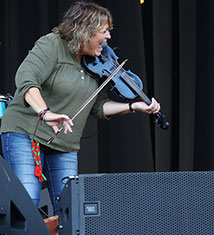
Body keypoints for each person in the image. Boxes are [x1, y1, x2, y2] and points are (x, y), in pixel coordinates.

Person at [0, 2, 160, 215]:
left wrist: (134, 106)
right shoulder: (52, 44)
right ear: (85, 30)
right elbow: (26, 80)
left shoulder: (96, 62)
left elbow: (99, 107)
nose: (109, 37)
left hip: (64, 143)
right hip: (25, 131)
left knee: (69, 211)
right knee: (27, 202)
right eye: (104, 31)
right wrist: (45, 113)